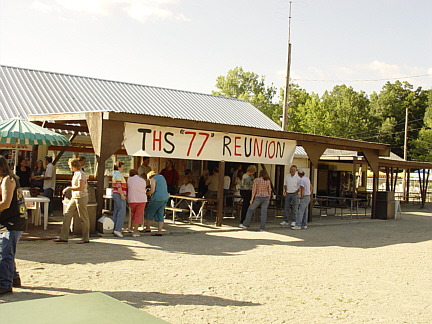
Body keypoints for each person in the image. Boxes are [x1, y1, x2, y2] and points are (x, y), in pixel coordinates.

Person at [0, 156, 27, 295]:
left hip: (13, 221)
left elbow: (5, 203)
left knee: (5, 253)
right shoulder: (7, 178)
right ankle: (15, 278)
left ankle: (5, 284)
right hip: (9, 220)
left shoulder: (8, 180)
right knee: (7, 250)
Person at [54, 158, 90, 244]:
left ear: (74, 166)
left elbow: (80, 188)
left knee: (83, 218)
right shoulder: (76, 174)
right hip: (74, 197)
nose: (70, 168)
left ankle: (86, 238)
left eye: (70, 166)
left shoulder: (81, 174)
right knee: (67, 214)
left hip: (81, 197)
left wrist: (69, 188)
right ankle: (63, 237)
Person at [144, 171, 169, 236]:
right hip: (165, 197)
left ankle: (147, 228)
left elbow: (152, 190)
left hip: (157, 198)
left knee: (149, 211)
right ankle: (159, 231)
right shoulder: (162, 177)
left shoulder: (153, 179)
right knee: (160, 213)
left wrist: (146, 193)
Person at [127, 169, 147, 237]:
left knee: (133, 213)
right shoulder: (143, 180)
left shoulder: (129, 179)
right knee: (138, 215)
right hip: (142, 199)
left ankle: (130, 228)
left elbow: (127, 188)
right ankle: (135, 232)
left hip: (132, 199)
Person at [112, 161, 127, 238]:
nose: (123, 168)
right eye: (122, 166)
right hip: (119, 194)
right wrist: (122, 194)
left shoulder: (115, 174)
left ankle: (114, 227)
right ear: (119, 167)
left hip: (116, 194)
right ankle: (118, 229)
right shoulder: (118, 174)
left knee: (116, 211)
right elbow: (119, 185)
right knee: (121, 211)